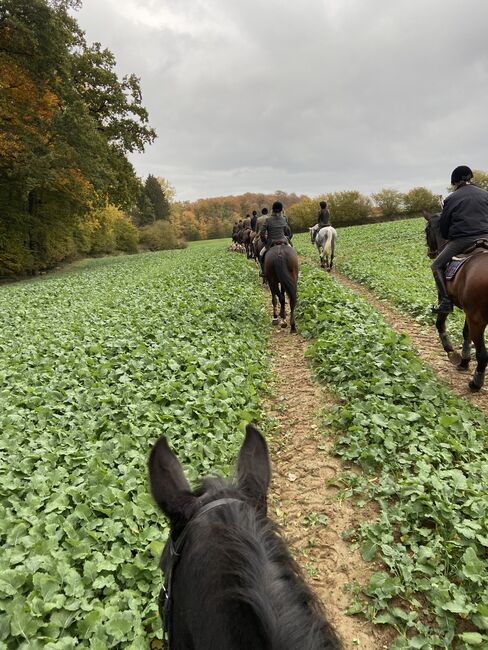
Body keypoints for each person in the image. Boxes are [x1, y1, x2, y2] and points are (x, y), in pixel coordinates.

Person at [431, 165, 488, 313]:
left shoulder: (451, 199)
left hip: (463, 240)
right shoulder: (485, 194)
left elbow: (443, 227)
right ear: (471, 178)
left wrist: (450, 235)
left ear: (454, 182)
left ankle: (445, 303)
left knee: (436, 266)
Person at [259, 201, 292, 277]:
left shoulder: (268, 220)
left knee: (261, 254)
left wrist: (265, 241)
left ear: (273, 209)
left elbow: (262, 233)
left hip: (271, 242)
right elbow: (288, 231)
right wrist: (287, 238)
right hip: (283, 241)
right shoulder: (283, 219)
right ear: (281, 210)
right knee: (292, 252)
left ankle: (263, 272)